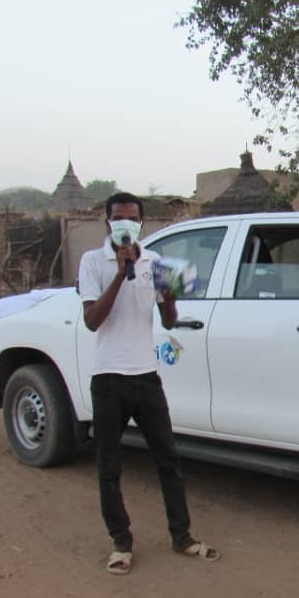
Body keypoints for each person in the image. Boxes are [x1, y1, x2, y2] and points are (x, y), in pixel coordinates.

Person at [78, 192, 219, 574]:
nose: (127, 224)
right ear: (108, 222)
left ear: (143, 222)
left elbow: (169, 321)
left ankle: (182, 536)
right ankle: (121, 542)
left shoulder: (155, 262)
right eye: (119, 218)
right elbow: (93, 320)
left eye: (133, 218)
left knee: (168, 462)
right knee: (109, 467)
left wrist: (171, 296)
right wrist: (120, 276)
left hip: (146, 378)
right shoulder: (93, 262)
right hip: (109, 379)